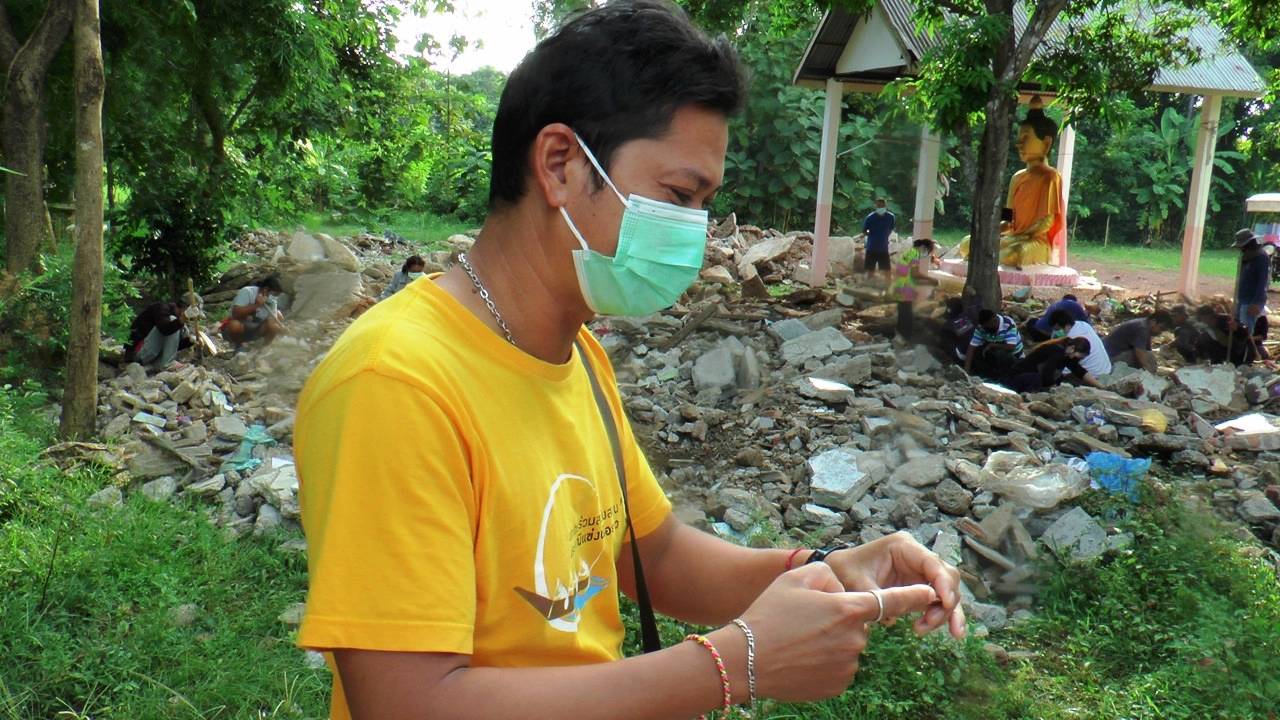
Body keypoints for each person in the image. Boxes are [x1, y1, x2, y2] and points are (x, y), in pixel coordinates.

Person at [293, 4, 965, 720]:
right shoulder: (397, 383)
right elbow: (406, 705)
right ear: (559, 165)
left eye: (704, 205)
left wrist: (828, 574)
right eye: (677, 197)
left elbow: (649, 552)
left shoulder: (574, 352)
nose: (695, 234)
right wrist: (731, 664)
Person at [1001, 336, 1105, 392]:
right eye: (1077, 357)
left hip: (1031, 377)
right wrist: (1055, 391)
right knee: (1036, 378)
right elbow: (1047, 372)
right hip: (1016, 378)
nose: (1076, 360)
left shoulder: (1066, 354)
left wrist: (1101, 387)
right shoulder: (1056, 352)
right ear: (1072, 349)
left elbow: (1079, 371)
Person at [1232, 228, 1271, 364]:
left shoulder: (1261, 257)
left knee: (1246, 332)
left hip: (1251, 300)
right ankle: (1237, 356)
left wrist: (1256, 302)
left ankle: (1247, 359)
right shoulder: (1247, 256)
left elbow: (1262, 283)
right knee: (1236, 328)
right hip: (1242, 298)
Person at [891, 238, 938, 343]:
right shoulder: (915, 255)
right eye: (927, 251)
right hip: (905, 289)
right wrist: (931, 279)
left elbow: (906, 274)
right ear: (923, 248)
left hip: (899, 286)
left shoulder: (908, 254)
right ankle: (905, 339)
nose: (926, 254)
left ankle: (899, 336)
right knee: (907, 317)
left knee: (902, 314)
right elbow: (915, 274)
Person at [125, 298, 193, 370]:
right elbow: (165, 330)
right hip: (138, 354)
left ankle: (162, 364)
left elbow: (171, 345)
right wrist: (184, 317)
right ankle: (168, 364)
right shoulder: (160, 309)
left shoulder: (173, 315)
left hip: (151, 355)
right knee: (173, 321)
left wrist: (190, 341)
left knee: (180, 326)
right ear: (185, 308)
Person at [220, 276, 286, 349]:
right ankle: (238, 347)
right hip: (238, 328)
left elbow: (271, 323)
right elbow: (236, 314)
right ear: (265, 289)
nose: (276, 297)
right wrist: (256, 304)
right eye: (275, 295)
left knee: (278, 315)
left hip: (256, 329)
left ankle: (265, 348)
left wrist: (281, 330)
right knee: (234, 325)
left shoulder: (272, 302)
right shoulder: (247, 292)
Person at [1102, 310, 1173, 374]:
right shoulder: (1142, 328)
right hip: (1110, 357)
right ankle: (1149, 378)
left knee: (1148, 356)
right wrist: (1149, 372)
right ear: (1153, 321)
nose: (1160, 332)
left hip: (1109, 354)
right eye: (1161, 328)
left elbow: (1147, 349)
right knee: (1148, 357)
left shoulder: (1143, 324)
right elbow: (1139, 351)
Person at [1047, 309, 1112, 378]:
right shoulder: (1083, 325)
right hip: (1107, 369)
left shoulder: (1072, 340)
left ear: (1066, 324)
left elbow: (1066, 368)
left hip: (1093, 375)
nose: (1056, 332)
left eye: (1057, 329)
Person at [964, 308, 1024, 379]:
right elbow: (971, 348)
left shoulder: (1008, 323)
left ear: (994, 321)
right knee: (977, 352)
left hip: (1014, 358)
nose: (986, 329)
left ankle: (1006, 379)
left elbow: (1011, 347)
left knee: (1002, 354)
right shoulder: (981, 328)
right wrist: (965, 372)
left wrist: (992, 345)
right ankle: (988, 377)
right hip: (995, 356)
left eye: (988, 326)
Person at [861, 198, 895, 281]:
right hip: (871, 248)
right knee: (870, 271)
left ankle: (889, 288)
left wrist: (885, 236)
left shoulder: (890, 217)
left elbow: (890, 229)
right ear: (875, 206)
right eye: (879, 205)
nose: (881, 207)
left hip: (883, 249)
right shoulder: (870, 218)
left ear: (886, 206)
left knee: (887, 270)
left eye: (882, 205)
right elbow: (864, 231)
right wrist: (872, 235)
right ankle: (868, 287)